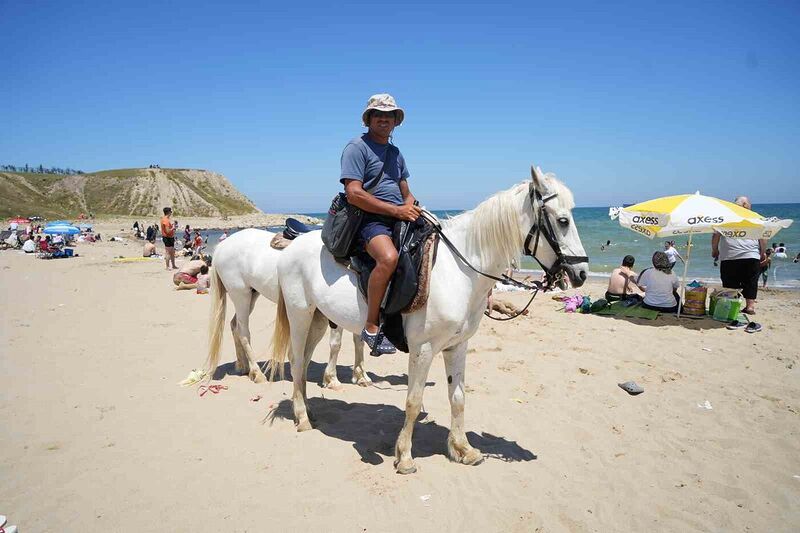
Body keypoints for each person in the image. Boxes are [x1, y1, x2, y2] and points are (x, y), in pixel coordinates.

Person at [340, 93, 420, 355]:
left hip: (398, 215)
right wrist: (396, 211)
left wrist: (411, 205)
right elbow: (354, 193)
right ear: (369, 119)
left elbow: (405, 189)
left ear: (395, 121)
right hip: (369, 219)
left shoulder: (396, 153)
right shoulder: (356, 147)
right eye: (378, 115)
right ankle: (372, 324)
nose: (384, 120)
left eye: (389, 116)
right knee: (388, 258)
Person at [711, 196, 766, 315]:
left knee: (730, 282)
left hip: (730, 256)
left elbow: (716, 236)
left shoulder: (726, 219)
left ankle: (732, 306)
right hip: (751, 255)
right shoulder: (755, 218)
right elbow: (763, 238)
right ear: (746, 205)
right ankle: (750, 307)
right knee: (751, 281)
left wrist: (715, 250)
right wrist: (762, 253)